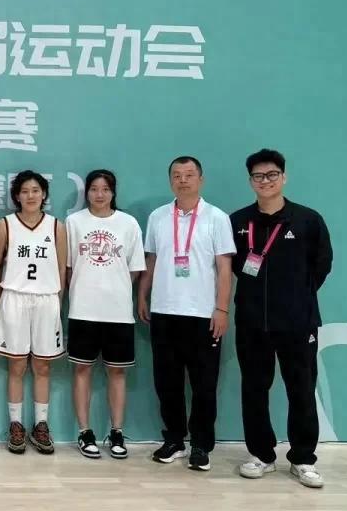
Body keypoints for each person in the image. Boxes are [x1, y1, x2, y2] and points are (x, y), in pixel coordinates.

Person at [231, 149, 332, 489]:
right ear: (251, 181)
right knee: (254, 389)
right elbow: (234, 266)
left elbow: (322, 264)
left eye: (272, 174)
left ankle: (303, 459)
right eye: (258, 176)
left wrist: (296, 297)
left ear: (284, 177)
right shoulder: (238, 221)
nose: (266, 181)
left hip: (298, 322)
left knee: (301, 389)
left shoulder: (307, 220)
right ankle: (261, 455)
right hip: (251, 321)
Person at [138, 156, 235, 473]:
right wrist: (142, 295)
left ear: (201, 180)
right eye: (177, 175)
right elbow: (152, 260)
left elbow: (224, 268)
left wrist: (222, 308)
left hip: (203, 314)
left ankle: (201, 445)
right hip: (164, 311)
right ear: (170, 181)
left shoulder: (217, 218)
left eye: (189, 174)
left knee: (204, 385)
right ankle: (175, 440)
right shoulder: (157, 217)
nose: (183, 180)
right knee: (167, 383)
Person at [66, 169, 145, 460]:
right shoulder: (74, 222)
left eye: (105, 189)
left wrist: (115, 288)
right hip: (82, 309)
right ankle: (85, 432)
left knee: (117, 372)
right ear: (86, 192)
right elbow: (68, 267)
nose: (99, 194)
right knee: (81, 369)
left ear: (113, 192)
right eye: (94, 189)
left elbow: (134, 269)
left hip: (118, 312)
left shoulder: (128, 223)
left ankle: (116, 432)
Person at [0, 170, 67, 455]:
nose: (30, 195)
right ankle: (15, 425)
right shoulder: (6, 224)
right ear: (17, 196)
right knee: (16, 365)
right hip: (15, 297)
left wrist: (57, 300)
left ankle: (41, 425)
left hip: (46, 299)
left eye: (35, 190)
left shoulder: (56, 226)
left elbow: (61, 269)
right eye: (24, 191)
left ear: (44, 194)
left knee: (43, 366)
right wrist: (0, 299)